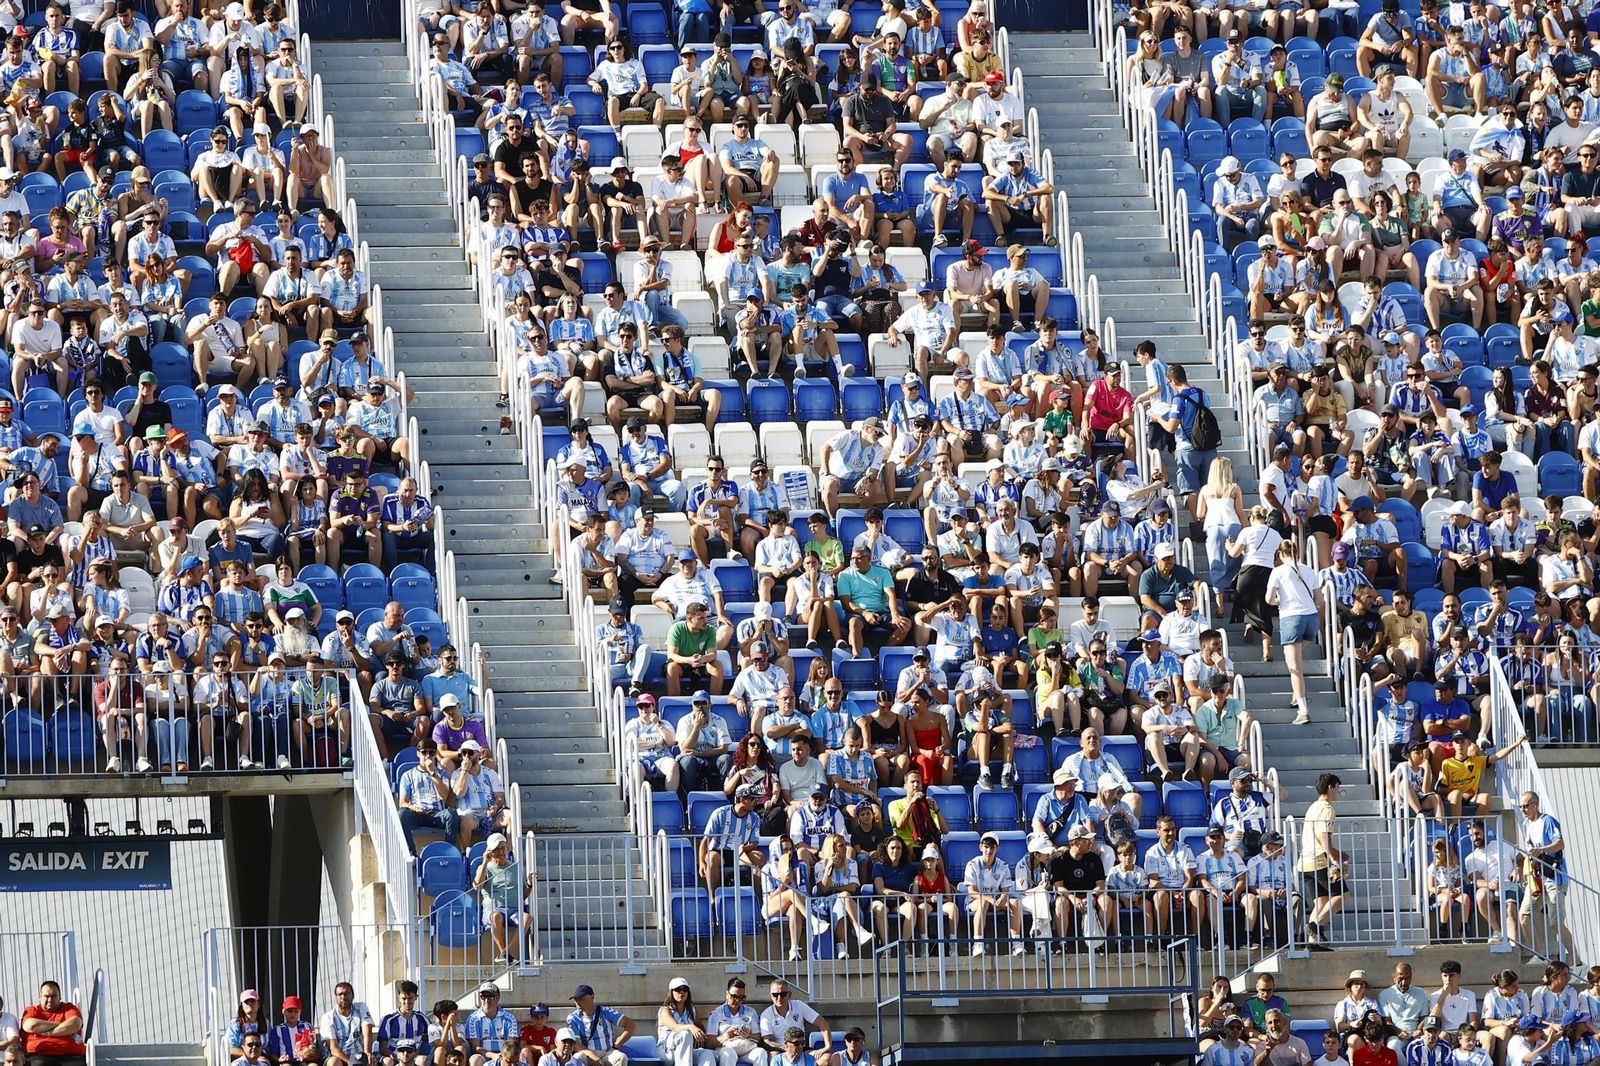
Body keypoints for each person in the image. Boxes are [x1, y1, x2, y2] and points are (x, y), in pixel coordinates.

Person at [1299, 772, 1346, 947]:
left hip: (1305, 862)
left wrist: (1335, 851)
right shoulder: (1327, 808)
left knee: (1321, 903)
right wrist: (1333, 856)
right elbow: (1322, 834)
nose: (1339, 791)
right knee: (1342, 897)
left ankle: (1313, 943)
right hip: (1319, 860)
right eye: (1338, 787)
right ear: (1330, 787)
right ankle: (1315, 926)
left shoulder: (1313, 807)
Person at [20, 982, 83, 1066]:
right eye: (46, 996)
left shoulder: (69, 1008)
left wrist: (47, 1033)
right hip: (38, 1056)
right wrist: (64, 1026)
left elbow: (75, 1024)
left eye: (53, 996)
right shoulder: (32, 1010)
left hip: (71, 1055)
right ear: (40, 998)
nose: (50, 1000)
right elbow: (30, 1026)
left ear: (60, 997)